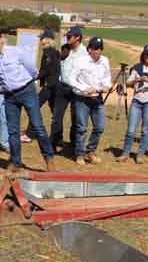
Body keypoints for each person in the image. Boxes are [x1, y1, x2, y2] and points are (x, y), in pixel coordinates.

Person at [0, 29, 54, 172]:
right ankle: (15, 161)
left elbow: (33, 70)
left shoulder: (16, 52)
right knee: (12, 130)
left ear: (1, 39)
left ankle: (48, 158)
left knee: (37, 126)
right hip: (9, 96)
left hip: (27, 90)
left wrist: (24, 82)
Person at [115, 45, 148, 163]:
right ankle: (125, 153)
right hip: (137, 101)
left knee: (145, 130)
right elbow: (127, 83)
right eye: (146, 54)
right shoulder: (137, 68)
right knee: (131, 129)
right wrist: (135, 80)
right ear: (143, 55)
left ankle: (140, 155)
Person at [67, 37, 111, 165]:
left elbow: (107, 77)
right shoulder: (81, 61)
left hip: (97, 98)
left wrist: (106, 86)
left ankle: (90, 151)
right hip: (81, 98)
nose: (97, 51)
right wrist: (85, 89)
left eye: (99, 48)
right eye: (94, 48)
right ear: (89, 49)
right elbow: (71, 79)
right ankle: (79, 153)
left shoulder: (105, 61)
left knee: (100, 127)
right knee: (81, 127)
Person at [54, 26, 86, 153]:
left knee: (76, 117)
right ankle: (56, 141)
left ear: (78, 37)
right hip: (62, 87)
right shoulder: (64, 49)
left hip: (76, 89)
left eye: (70, 36)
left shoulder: (84, 53)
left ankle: (74, 144)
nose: (67, 38)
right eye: (67, 36)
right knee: (57, 117)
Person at [36, 28, 61, 117]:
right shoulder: (55, 51)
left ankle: (32, 130)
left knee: (35, 106)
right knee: (54, 111)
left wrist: (35, 76)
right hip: (55, 85)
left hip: (49, 85)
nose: (40, 40)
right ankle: (57, 129)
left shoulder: (47, 52)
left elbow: (46, 70)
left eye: (41, 38)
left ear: (47, 39)